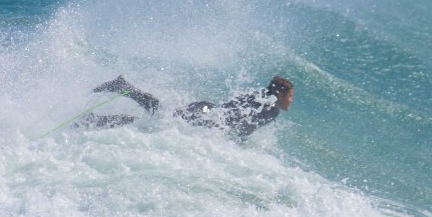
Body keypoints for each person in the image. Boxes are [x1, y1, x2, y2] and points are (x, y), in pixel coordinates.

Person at [78, 75, 294, 138]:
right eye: (290, 96)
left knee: (159, 118)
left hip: (206, 109)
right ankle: (122, 89)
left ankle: (98, 120)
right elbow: (245, 128)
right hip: (208, 118)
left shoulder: (258, 94)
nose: (291, 101)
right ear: (281, 94)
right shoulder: (272, 109)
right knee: (159, 120)